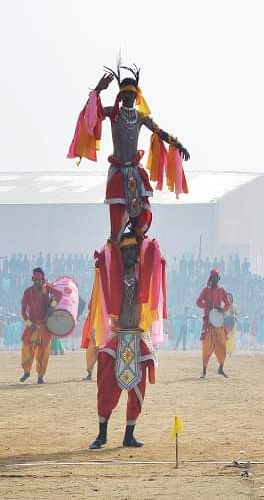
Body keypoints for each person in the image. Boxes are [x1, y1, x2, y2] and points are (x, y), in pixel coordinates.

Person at [67, 64, 191, 244]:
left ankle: (137, 257)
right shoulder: (113, 113)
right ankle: (113, 257)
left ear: (136, 96)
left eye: (131, 94)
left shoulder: (140, 117)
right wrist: (98, 90)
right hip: (117, 172)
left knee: (142, 221)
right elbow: (90, 115)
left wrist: (179, 145)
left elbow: (159, 132)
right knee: (116, 228)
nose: (127, 97)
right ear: (120, 95)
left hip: (135, 170)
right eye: (124, 94)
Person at [86, 232, 167, 449]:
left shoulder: (145, 276)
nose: (130, 254)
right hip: (118, 335)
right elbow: (104, 264)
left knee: (138, 389)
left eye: (133, 250)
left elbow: (155, 260)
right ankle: (101, 435)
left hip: (138, 335)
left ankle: (128, 436)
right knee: (105, 387)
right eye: (126, 250)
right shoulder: (114, 277)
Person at [20, 268, 62, 384]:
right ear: (32, 279)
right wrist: (30, 324)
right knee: (26, 347)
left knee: (44, 351)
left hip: (44, 325)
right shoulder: (27, 292)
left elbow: (59, 294)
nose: (37, 282)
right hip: (32, 325)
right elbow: (23, 312)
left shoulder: (46, 288)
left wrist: (52, 307)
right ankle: (26, 372)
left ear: (42, 280)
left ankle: (40, 376)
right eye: (35, 280)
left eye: (39, 280)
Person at [197, 269, 230, 378]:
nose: (216, 280)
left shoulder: (222, 290)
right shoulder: (205, 291)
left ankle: (221, 368)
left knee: (223, 346)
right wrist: (207, 305)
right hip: (208, 323)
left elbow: (227, 305)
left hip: (219, 323)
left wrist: (222, 309)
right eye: (214, 278)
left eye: (217, 278)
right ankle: (204, 371)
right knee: (207, 347)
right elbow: (198, 302)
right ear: (211, 278)